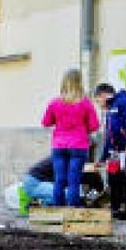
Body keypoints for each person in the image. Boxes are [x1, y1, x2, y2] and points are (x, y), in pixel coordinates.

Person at [41, 68, 100, 207]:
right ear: (79, 83)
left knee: (59, 180)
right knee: (74, 180)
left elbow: (46, 122)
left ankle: (58, 210)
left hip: (59, 146)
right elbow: (94, 126)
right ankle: (73, 210)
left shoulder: (55, 102)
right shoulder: (86, 103)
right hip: (79, 146)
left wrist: (60, 120)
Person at [95, 82, 126, 220]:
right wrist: (103, 158)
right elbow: (109, 135)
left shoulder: (125, 101)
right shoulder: (110, 109)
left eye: (98, 100)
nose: (98, 104)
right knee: (113, 178)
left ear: (103, 95)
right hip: (115, 152)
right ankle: (115, 208)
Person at [20, 154, 104, 211]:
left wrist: (89, 199)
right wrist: (85, 201)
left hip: (40, 182)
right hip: (34, 183)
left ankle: (40, 202)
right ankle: (38, 203)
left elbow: (99, 188)